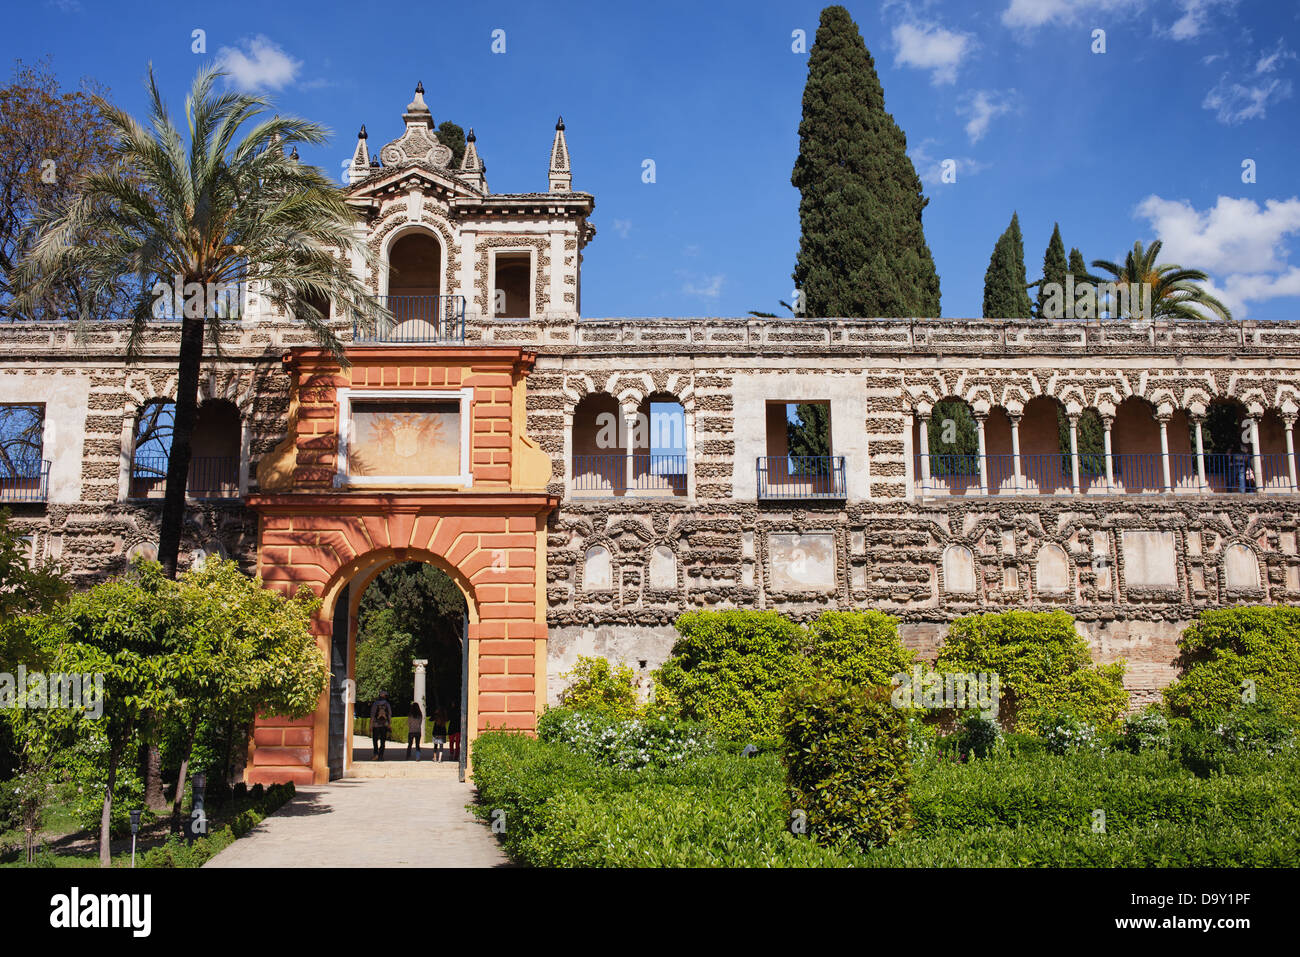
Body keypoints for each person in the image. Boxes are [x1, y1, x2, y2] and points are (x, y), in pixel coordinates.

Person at [370, 691, 392, 760]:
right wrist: (389, 724)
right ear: (385, 696)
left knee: (375, 740)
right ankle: (381, 755)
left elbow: (372, 715)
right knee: (383, 741)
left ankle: (376, 754)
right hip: (384, 725)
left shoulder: (375, 704)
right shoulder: (387, 704)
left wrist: (371, 725)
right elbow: (389, 714)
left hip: (376, 725)